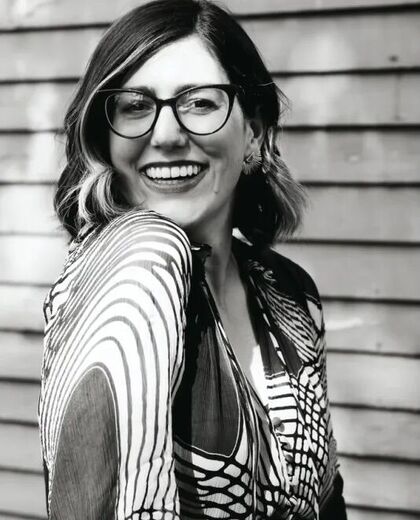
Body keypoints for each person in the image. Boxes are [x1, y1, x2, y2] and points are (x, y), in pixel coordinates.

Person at [38, 0, 347, 518]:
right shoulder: (134, 268)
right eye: (135, 106)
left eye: (200, 103)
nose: (166, 135)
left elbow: (328, 496)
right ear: (104, 138)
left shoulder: (288, 291)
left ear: (253, 132)